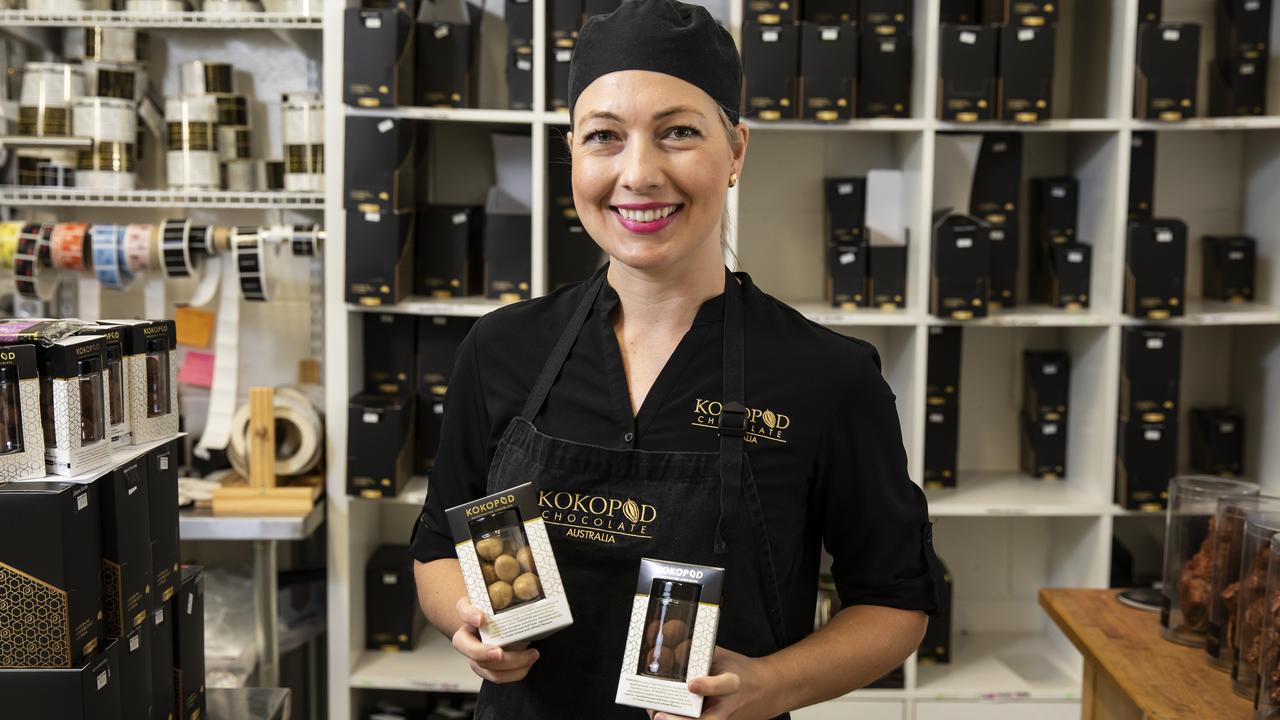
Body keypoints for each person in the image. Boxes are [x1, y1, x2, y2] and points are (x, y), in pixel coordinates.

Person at [410, 1, 941, 717]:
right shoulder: (501, 350)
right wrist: (467, 622)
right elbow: (440, 548)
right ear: (572, 152)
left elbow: (895, 604)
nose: (639, 173)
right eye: (604, 137)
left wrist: (770, 685)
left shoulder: (827, 376)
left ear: (737, 153)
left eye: (679, 133)